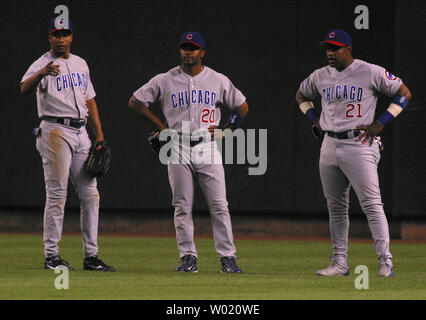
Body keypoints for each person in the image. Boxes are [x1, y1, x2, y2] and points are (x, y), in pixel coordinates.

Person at [295, 29, 412, 277]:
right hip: (329, 143)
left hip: (359, 143)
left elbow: (404, 93)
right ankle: (339, 263)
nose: (330, 52)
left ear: (348, 50)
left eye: (335, 48)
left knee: (371, 204)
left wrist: (380, 123)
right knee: (336, 207)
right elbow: (301, 96)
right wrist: (314, 118)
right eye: (328, 48)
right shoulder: (319, 75)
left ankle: (385, 261)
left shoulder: (369, 71)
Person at [129, 32, 249, 273]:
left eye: (193, 48)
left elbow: (242, 106)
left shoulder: (217, 79)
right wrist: (160, 125)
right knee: (182, 205)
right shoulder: (165, 79)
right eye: (185, 47)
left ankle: (227, 257)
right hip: (177, 145)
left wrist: (227, 130)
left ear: (202, 52)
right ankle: (188, 257)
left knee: (219, 205)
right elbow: (135, 101)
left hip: (207, 144)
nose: (188, 52)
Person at [20, 18, 115, 271]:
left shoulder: (80, 63)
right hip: (55, 130)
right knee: (57, 193)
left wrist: (101, 135)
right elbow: (23, 88)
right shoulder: (41, 63)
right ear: (49, 37)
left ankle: (91, 257)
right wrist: (40, 74)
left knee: (90, 194)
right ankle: (51, 255)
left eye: (65, 34)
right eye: (56, 34)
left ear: (71, 36)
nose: (61, 38)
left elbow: (90, 100)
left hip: (81, 131)